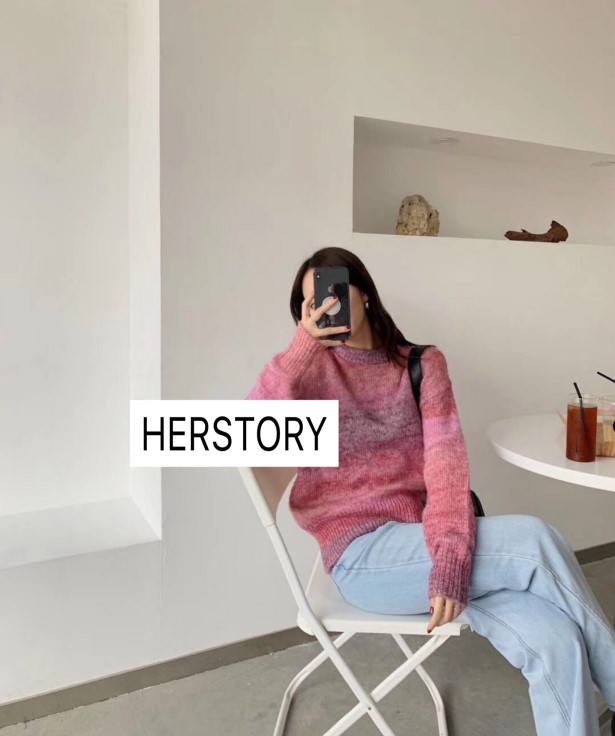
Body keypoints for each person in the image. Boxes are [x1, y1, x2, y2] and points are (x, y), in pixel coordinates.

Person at [246, 245, 615, 736]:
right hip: (362, 556)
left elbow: (446, 469)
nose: (325, 308)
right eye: (311, 304)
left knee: (556, 638)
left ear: (364, 294)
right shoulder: (307, 372)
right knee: (536, 541)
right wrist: (301, 349)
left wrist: (449, 558)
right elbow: (250, 430)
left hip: (431, 538)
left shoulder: (422, 365)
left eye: (333, 293)